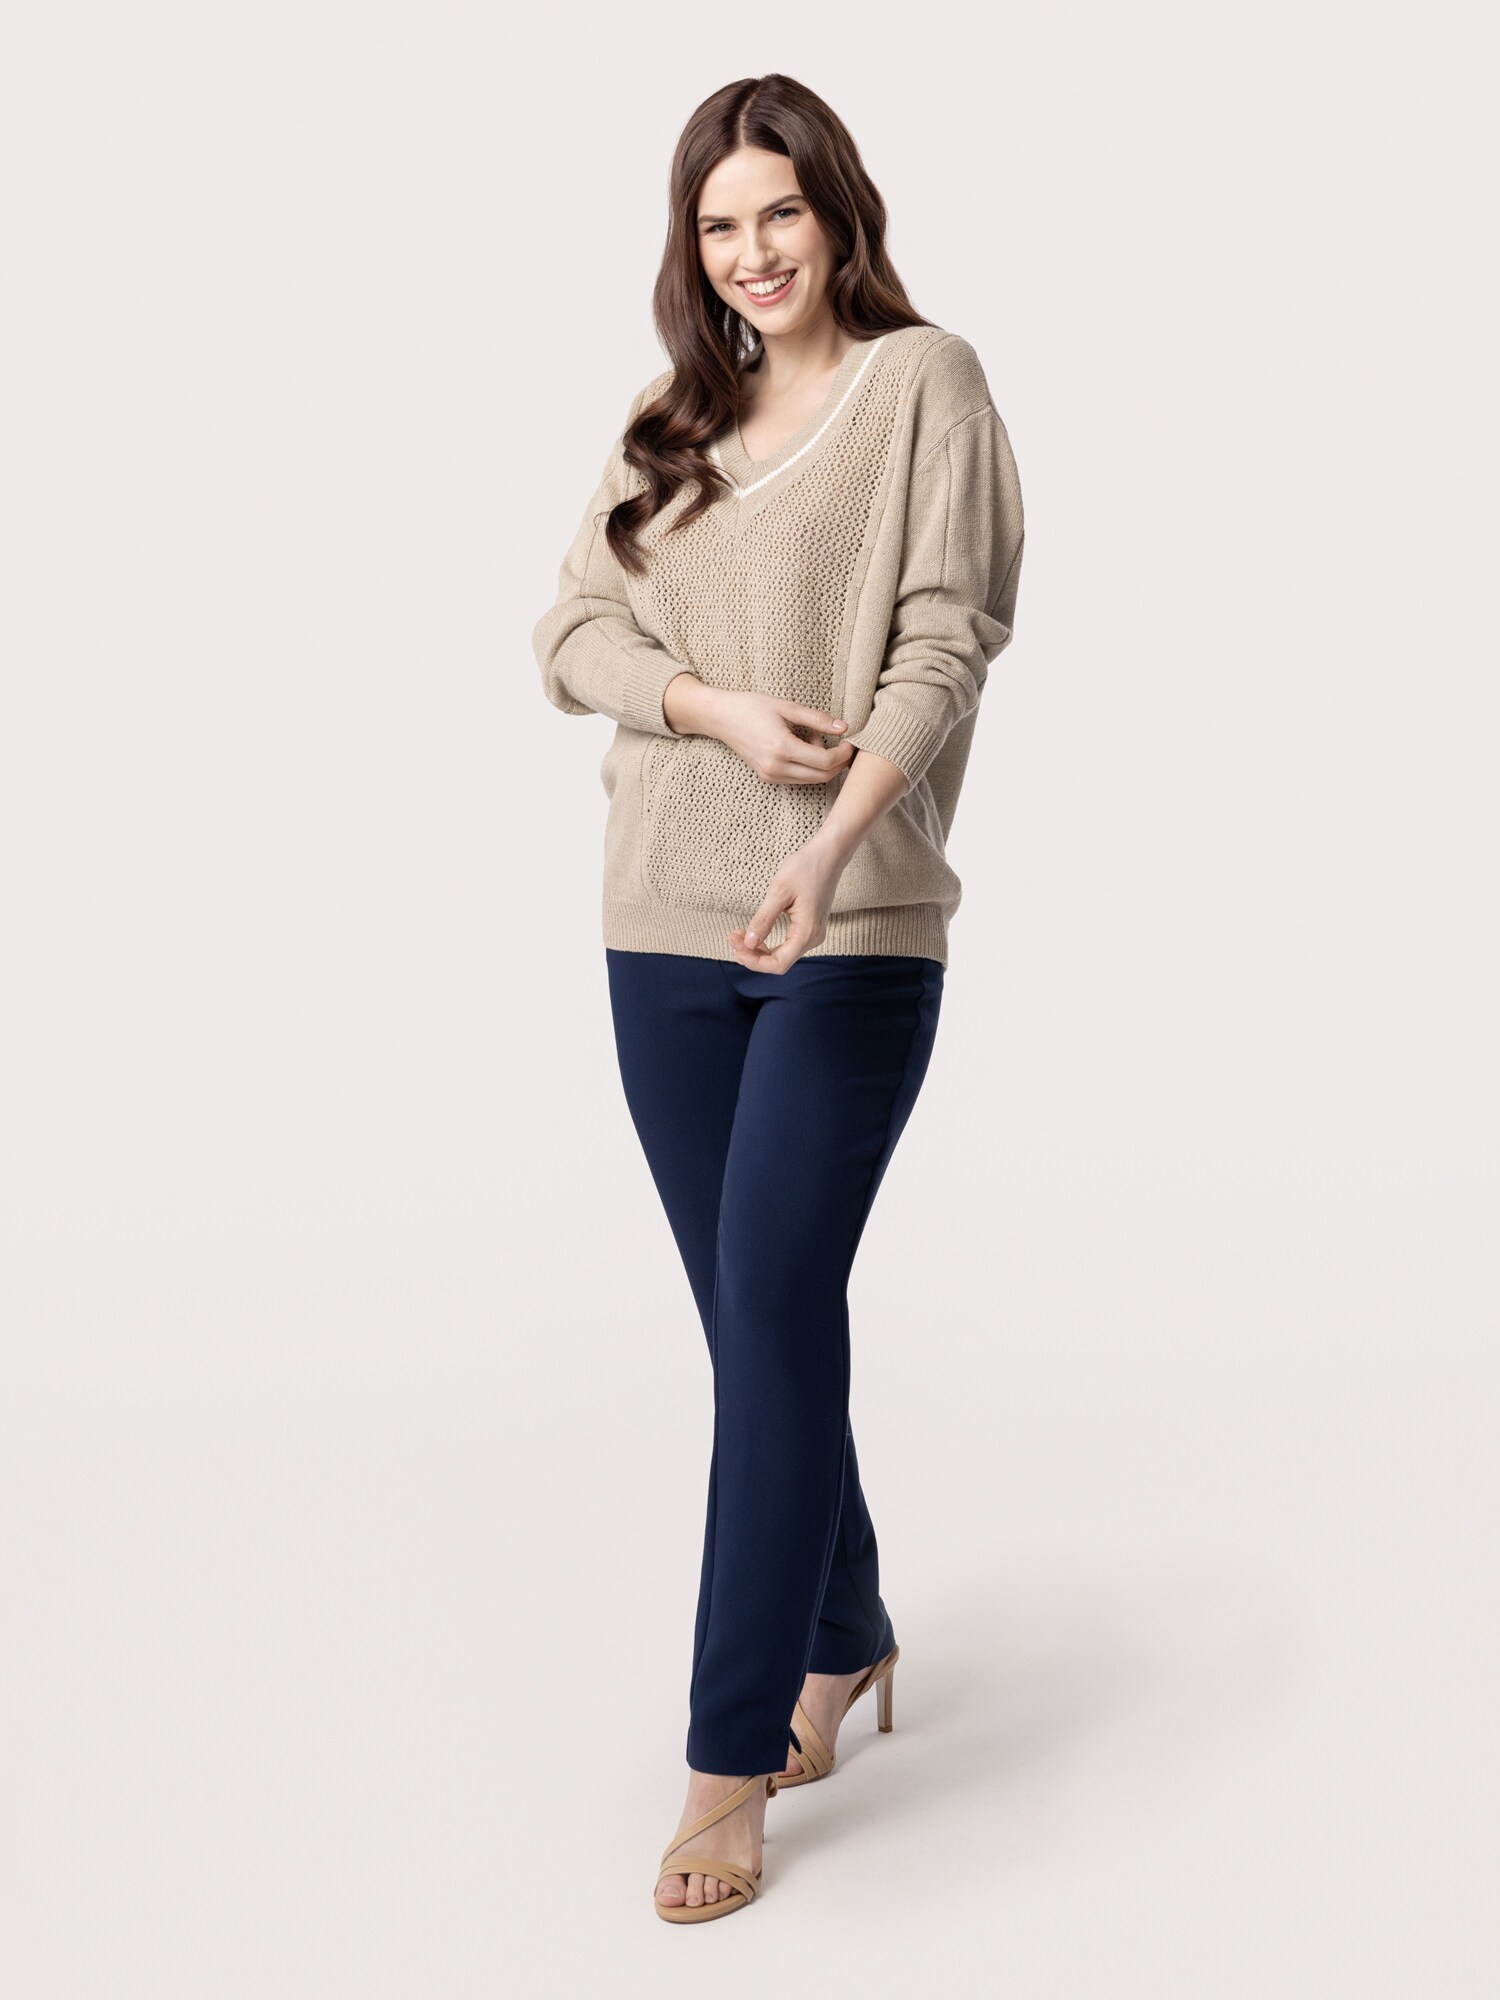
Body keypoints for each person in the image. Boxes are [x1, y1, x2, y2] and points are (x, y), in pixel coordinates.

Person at [531, 72, 1025, 1925]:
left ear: (839, 213)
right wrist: (711, 709)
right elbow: (571, 632)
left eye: (781, 215)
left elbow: (945, 642)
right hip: (659, 925)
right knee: (758, 1326)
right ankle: (846, 1629)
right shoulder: (668, 420)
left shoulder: (927, 386)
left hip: (849, 924)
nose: (753, 255)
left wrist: (827, 849)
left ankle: (727, 1761)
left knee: (773, 1303)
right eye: (720, 226)